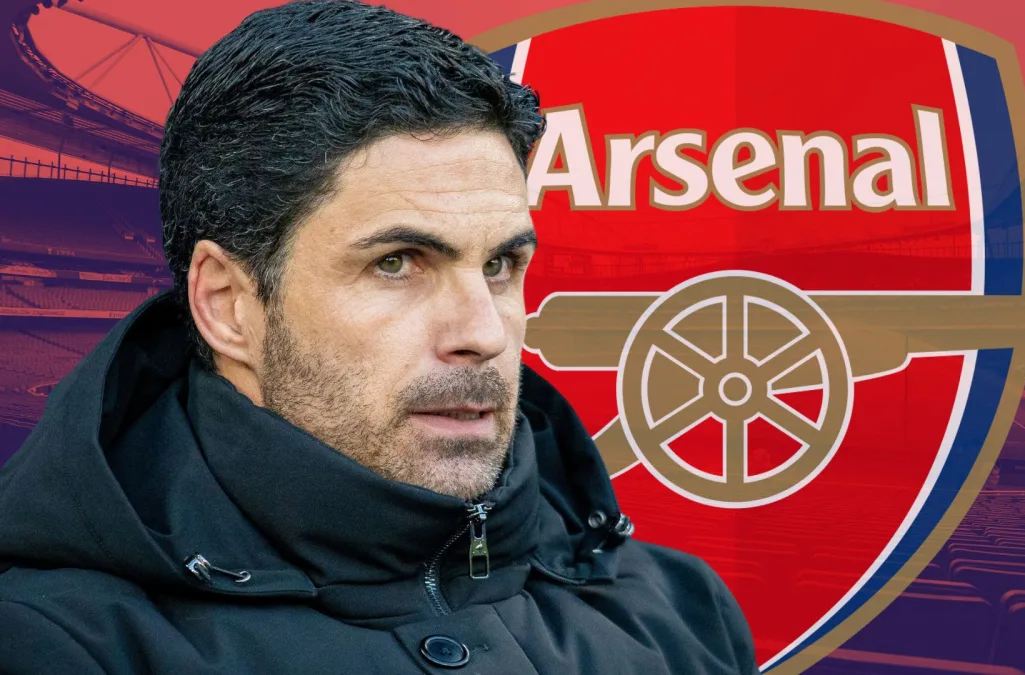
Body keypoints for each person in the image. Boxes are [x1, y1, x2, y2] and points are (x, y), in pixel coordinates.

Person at [0, 3, 758, 674]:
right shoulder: (53, 644)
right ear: (228, 304)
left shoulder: (682, 611)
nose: (483, 333)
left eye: (500, 264)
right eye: (397, 263)